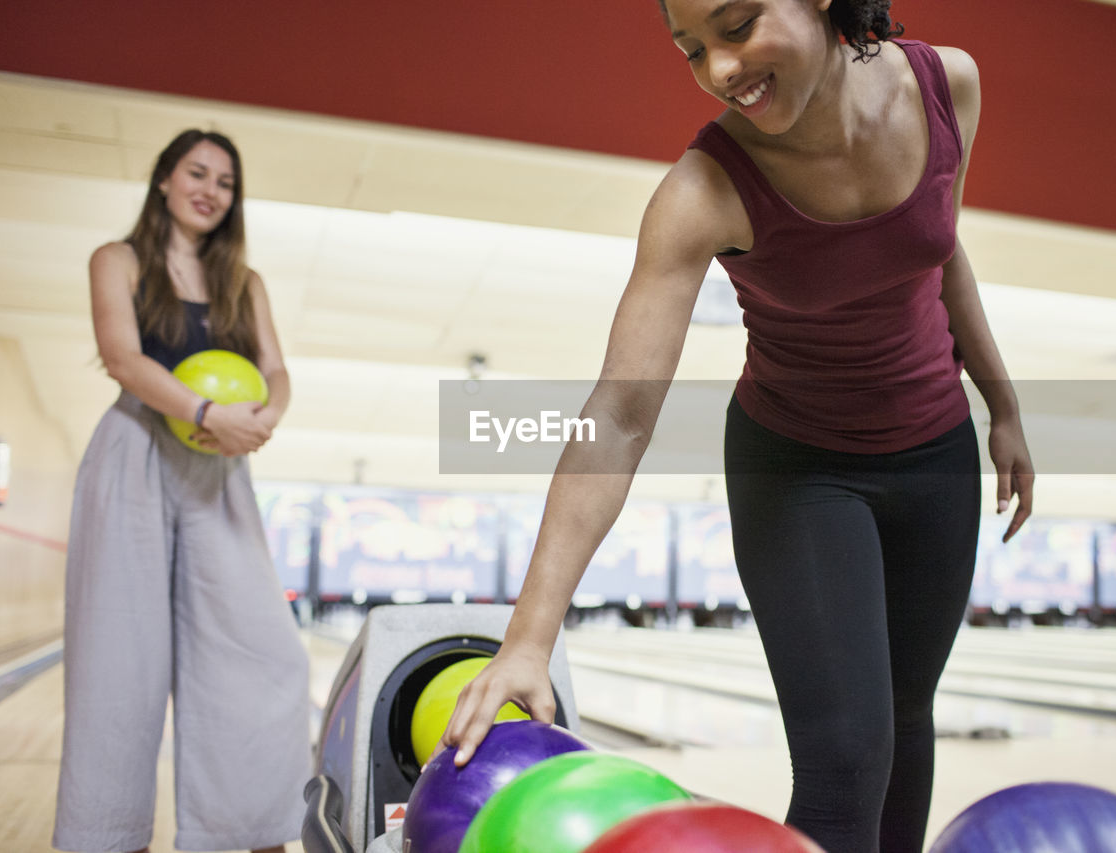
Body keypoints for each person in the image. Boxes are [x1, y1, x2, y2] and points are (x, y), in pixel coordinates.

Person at [441, 1, 1034, 851]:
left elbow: (939, 250)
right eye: (692, 49)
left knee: (906, 727)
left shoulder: (949, 87)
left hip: (936, 455)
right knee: (846, 759)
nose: (720, 67)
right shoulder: (701, 191)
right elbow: (618, 412)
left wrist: (1001, 403)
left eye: (740, 23)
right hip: (798, 467)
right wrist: (528, 638)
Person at [52, 129, 310, 853]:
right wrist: (201, 411)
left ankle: (252, 832)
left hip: (219, 464)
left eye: (225, 182)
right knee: (118, 662)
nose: (210, 190)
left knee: (266, 654)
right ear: (164, 178)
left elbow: (276, 370)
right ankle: (108, 838)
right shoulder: (119, 259)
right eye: (197, 172)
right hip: (136, 447)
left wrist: (262, 419)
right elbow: (121, 356)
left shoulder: (242, 280)